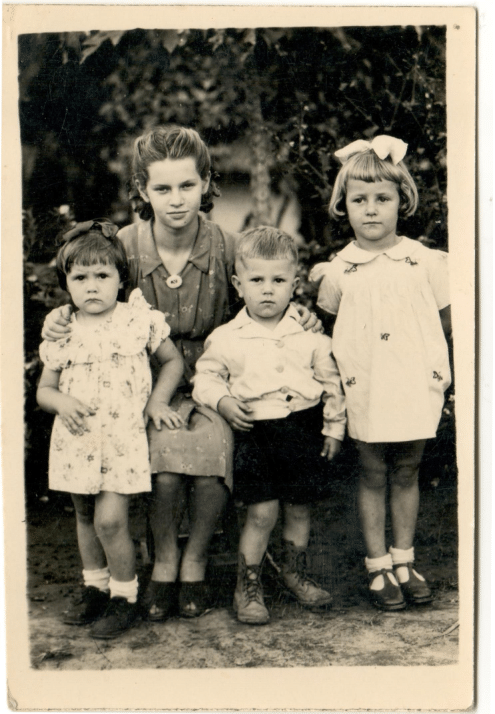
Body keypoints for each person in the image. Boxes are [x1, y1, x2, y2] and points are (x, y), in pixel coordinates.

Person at [41, 125, 321, 621]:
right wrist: (63, 316)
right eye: (162, 188)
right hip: (138, 386)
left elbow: (267, 289)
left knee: (212, 454)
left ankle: (194, 563)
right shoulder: (123, 246)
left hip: (216, 382)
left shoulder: (227, 246)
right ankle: (164, 563)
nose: (176, 200)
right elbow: (86, 293)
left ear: (207, 184)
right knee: (166, 466)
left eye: (187, 186)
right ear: (142, 191)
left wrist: (301, 316)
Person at [310, 136, 452, 611]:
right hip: (366, 385)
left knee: (408, 469)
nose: (371, 210)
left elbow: (448, 323)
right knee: (372, 471)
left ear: (402, 201)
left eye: (382, 199)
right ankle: (377, 565)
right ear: (343, 205)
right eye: (359, 200)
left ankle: (405, 559)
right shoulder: (338, 272)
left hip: (413, 382)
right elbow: (329, 326)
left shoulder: (428, 263)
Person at [37, 219, 184, 639]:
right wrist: (60, 400)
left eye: (102, 275)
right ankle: (95, 586)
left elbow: (173, 362)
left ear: (121, 279)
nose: (92, 286)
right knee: (84, 515)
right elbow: (44, 391)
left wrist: (156, 400)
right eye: (80, 277)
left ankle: (125, 596)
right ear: (67, 283)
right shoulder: (63, 330)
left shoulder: (137, 321)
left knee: (111, 521)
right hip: (76, 439)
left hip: (121, 439)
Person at [193, 227, 346, 624]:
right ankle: (248, 584)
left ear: (294, 284)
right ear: (237, 283)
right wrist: (224, 401)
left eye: (278, 281)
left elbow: (332, 384)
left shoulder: (310, 336)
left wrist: (333, 428)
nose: (267, 291)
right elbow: (206, 379)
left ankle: (293, 572)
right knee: (261, 513)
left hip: (302, 430)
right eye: (256, 280)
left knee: (298, 509)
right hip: (256, 435)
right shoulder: (227, 337)